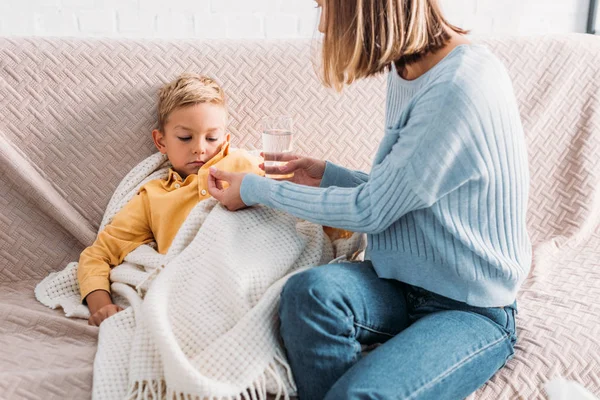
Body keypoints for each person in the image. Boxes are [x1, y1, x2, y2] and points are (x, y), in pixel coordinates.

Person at [206, 0, 532, 398]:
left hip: (467, 308)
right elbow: (406, 191)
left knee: (361, 394)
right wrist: (328, 176)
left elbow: (372, 210)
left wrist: (253, 188)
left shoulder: (457, 86)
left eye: (326, 7)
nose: (324, 26)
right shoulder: (409, 71)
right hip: (397, 282)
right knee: (307, 294)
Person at [77, 73, 263, 327]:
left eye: (211, 138)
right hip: (196, 292)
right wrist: (101, 306)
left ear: (226, 140)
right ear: (160, 141)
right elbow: (98, 255)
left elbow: (302, 199)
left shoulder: (244, 165)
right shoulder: (153, 197)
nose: (199, 148)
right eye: (185, 138)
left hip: (256, 271)